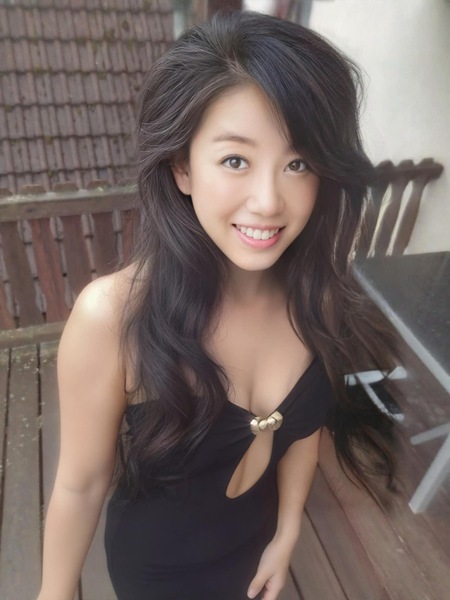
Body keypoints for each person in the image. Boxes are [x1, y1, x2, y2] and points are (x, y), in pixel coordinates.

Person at [37, 10, 399, 600]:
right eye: (236, 160)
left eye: (298, 163)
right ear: (182, 166)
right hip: (159, 575)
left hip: (254, 549)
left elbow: (303, 432)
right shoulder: (114, 318)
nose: (268, 201)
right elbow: (80, 486)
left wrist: (286, 533)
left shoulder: (318, 297)